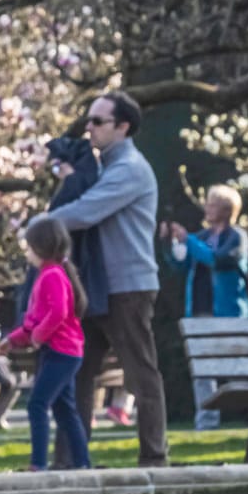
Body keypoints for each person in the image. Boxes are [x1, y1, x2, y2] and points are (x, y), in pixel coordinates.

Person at [46, 91, 168, 467]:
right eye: (89, 120)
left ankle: (154, 458)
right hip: (95, 287)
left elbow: (86, 211)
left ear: (123, 126)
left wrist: (39, 227)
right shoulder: (104, 166)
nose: (89, 128)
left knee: (140, 372)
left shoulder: (129, 168)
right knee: (77, 373)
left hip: (128, 288)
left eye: (97, 122)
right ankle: (70, 462)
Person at [2, 216, 91, 471]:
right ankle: (82, 463)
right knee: (65, 410)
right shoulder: (49, 274)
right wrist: (13, 341)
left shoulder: (52, 275)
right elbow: (33, 321)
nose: (27, 252)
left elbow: (58, 312)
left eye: (29, 247)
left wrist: (39, 336)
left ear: (40, 248)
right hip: (62, 352)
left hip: (61, 352)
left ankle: (38, 463)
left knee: (37, 404)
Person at [164, 184, 248, 430]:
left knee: (241, 368)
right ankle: (206, 422)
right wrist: (170, 243)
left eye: (212, 204)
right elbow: (180, 265)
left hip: (228, 312)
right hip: (199, 311)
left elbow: (218, 260)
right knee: (203, 371)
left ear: (225, 210)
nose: (207, 208)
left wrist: (188, 240)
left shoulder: (236, 237)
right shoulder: (201, 237)